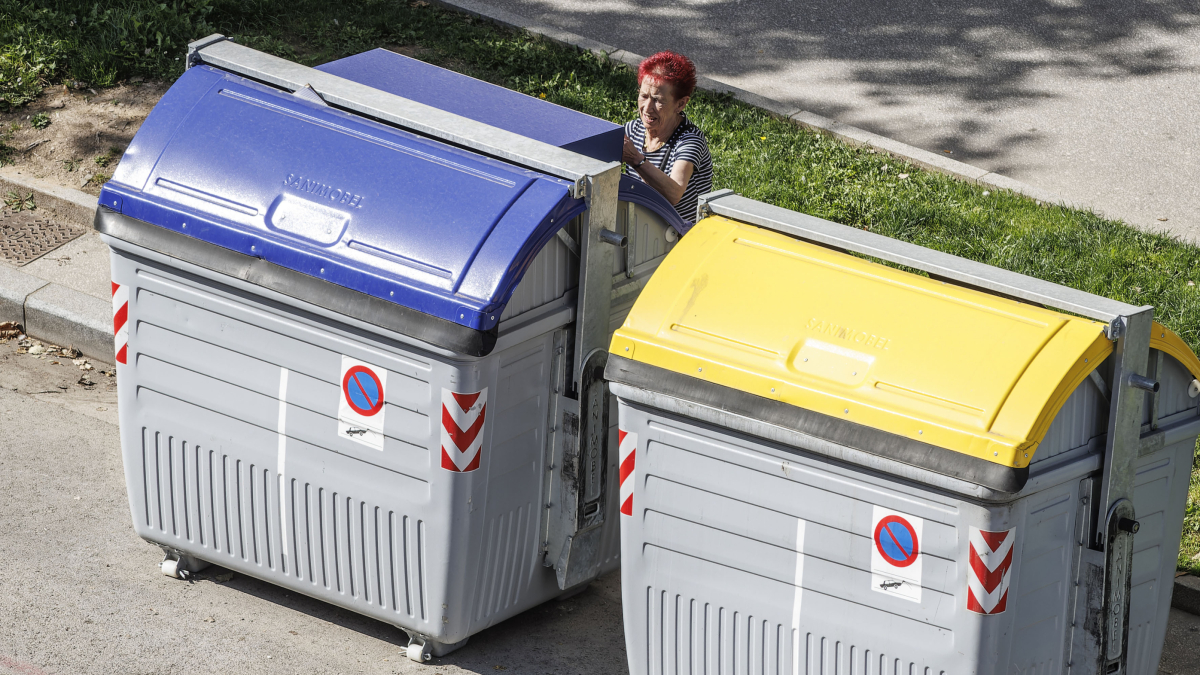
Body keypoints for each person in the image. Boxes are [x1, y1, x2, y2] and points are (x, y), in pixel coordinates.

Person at [622, 51, 713, 230]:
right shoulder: (633, 129)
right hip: (640, 226)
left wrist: (636, 159)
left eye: (658, 100)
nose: (647, 108)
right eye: (644, 96)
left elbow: (674, 193)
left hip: (678, 234)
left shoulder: (689, 141)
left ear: (680, 104)